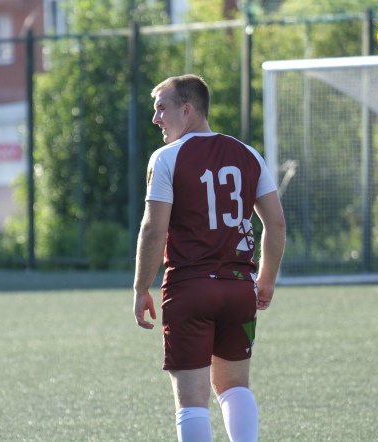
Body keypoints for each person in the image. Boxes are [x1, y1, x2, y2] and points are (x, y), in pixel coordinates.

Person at [133, 74, 286, 442]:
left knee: (192, 402)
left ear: (187, 109)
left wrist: (140, 288)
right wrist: (265, 280)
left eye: (162, 109)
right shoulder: (248, 154)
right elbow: (277, 224)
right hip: (239, 288)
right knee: (235, 387)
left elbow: (153, 230)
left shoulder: (166, 157)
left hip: (190, 289)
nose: (156, 118)